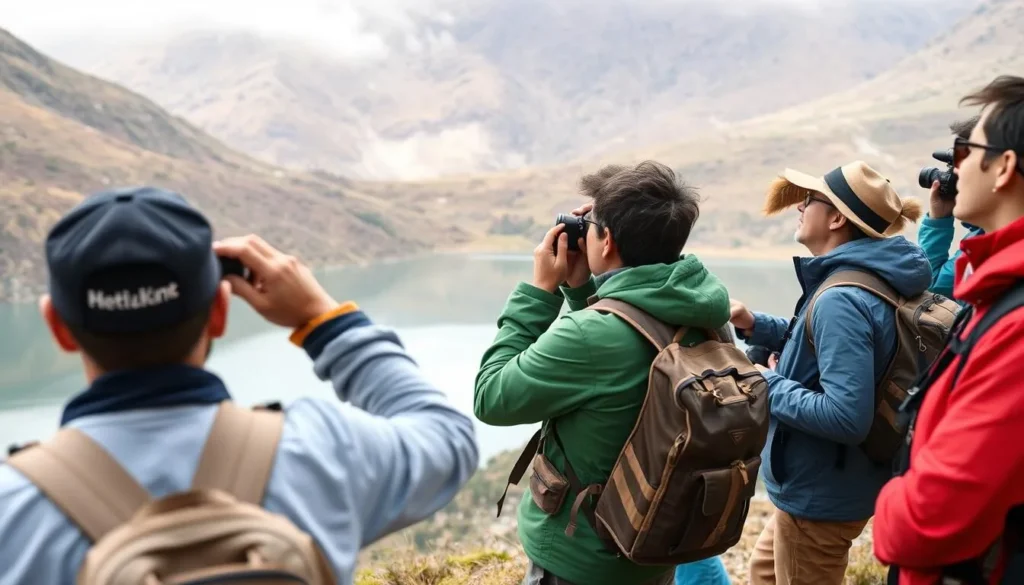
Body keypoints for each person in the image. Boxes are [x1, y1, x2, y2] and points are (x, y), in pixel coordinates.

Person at [0, 186, 479, 584]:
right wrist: (321, 321)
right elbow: (447, 438)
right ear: (220, 312)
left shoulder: (12, 508)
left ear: (58, 327)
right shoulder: (323, 450)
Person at [473, 161, 732, 585]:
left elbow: (491, 397)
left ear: (606, 240)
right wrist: (581, 292)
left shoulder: (591, 336)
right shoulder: (706, 315)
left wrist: (539, 294)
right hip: (652, 546)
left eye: (591, 224)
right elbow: (628, 355)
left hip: (581, 557)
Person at [729, 161, 932, 585]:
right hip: (833, 481)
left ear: (837, 218)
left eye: (811, 200)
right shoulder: (872, 276)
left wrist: (761, 379)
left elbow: (845, 416)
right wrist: (758, 325)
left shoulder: (841, 297)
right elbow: (831, 346)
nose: (800, 206)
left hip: (821, 492)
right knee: (765, 570)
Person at [873, 75, 1024, 585]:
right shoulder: (997, 288)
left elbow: (926, 520)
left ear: (1004, 167)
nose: (954, 168)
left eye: (965, 149)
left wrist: (893, 496)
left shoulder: (1017, 323)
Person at [917, 115, 985, 301]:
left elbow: (930, 288)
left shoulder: (988, 244)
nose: (955, 172)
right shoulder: (983, 237)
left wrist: (937, 224)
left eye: (966, 157)